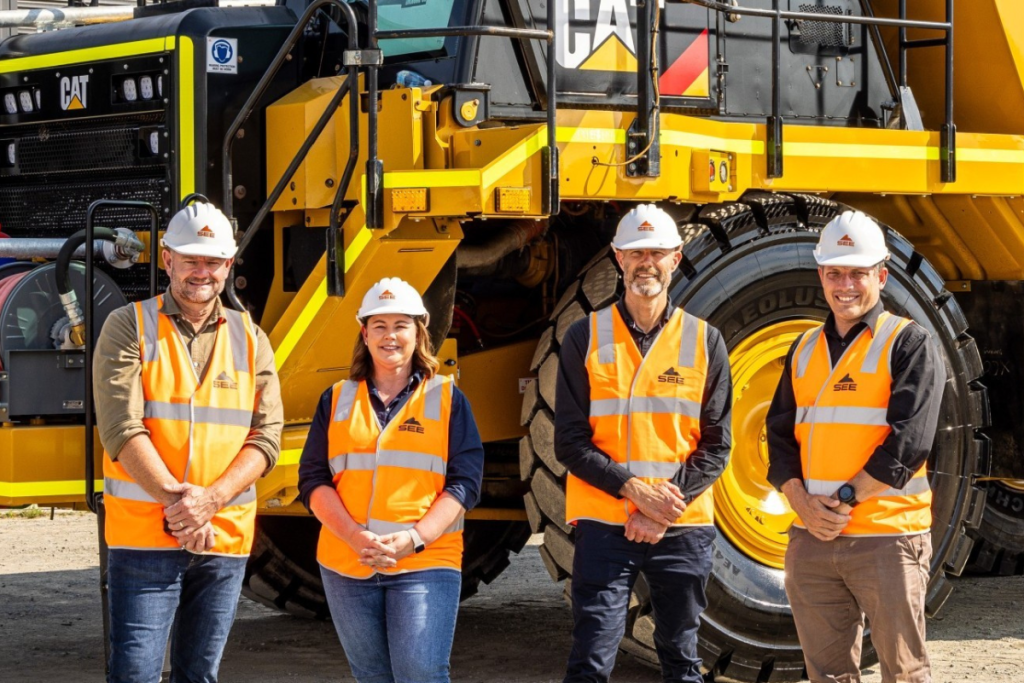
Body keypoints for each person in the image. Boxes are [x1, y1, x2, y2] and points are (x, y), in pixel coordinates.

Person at [94, 199, 283, 683]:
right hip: (145, 537)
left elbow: (266, 436)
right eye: (190, 259)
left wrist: (211, 502)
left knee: (199, 676)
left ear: (229, 264)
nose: (202, 272)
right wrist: (182, 509)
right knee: (134, 675)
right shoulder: (127, 326)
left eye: (213, 261)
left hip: (223, 538)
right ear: (166, 259)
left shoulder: (251, 337)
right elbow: (121, 428)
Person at [554, 204, 733, 683]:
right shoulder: (584, 337)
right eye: (635, 253)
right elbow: (569, 442)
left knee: (681, 656)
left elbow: (717, 445)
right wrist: (634, 491)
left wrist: (661, 509)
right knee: (590, 658)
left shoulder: (705, 341)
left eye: (656, 252)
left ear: (676, 258)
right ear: (617, 258)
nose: (645, 263)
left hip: (682, 526)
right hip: (605, 523)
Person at [766, 210, 945, 683]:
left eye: (857, 273)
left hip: (887, 539)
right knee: (826, 676)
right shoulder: (803, 348)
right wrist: (802, 503)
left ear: (881, 276)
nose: (845, 285)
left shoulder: (908, 344)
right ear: (821, 276)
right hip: (813, 540)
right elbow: (779, 435)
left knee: (903, 673)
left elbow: (909, 443)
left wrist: (840, 503)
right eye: (834, 273)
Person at [297, 277, 485, 683]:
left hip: (425, 560)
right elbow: (312, 480)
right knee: (372, 676)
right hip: (348, 562)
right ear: (364, 334)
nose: (390, 336)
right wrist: (353, 536)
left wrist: (413, 539)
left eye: (401, 325)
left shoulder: (448, 398)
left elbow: (465, 484)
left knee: (420, 673)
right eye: (379, 326)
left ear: (420, 331)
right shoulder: (336, 398)